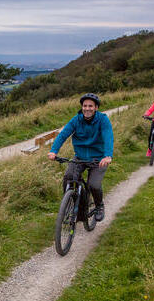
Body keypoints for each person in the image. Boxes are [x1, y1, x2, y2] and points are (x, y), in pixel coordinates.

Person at [47, 93, 114, 222]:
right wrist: (53, 151)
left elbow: (108, 137)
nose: (87, 108)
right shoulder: (76, 120)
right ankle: (70, 205)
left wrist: (107, 155)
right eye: (84, 106)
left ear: (96, 108)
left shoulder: (103, 119)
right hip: (80, 157)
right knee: (68, 177)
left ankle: (99, 206)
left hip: (98, 159)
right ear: (81, 107)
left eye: (90, 106)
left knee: (93, 185)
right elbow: (63, 135)